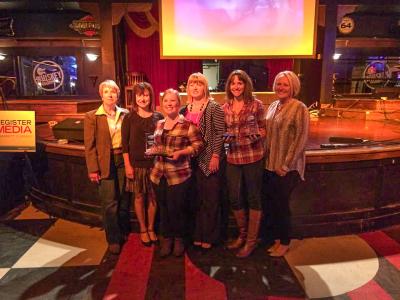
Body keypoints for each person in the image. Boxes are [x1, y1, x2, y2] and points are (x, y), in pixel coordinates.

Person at [150, 89, 204, 257]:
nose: (169, 104)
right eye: (166, 101)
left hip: (179, 175)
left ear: (178, 104)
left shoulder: (187, 125)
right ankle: (167, 239)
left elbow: (198, 145)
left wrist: (182, 152)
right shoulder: (159, 124)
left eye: (173, 101)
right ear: (162, 104)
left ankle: (179, 239)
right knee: (164, 208)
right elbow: (157, 144)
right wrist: (153, 150)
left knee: (178, 209)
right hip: (159, 174)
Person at [264, 70, 309, 257]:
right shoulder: (274, 105)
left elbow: (301, 139)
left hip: (286, 169)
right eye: (278, 84)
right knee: (273, 205)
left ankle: (284, 242)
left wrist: (285, 165)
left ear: (293, 87)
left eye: (285, 84)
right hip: (269, 165)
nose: (281, 87)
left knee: (282, 206)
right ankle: (276, 238)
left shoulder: (299, 108)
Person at [84, 79, 131, 255]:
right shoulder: (91, 116)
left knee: (124, 199)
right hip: (105, 162)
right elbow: (89, 146)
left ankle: (123, 231)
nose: (110, 94)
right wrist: (92, 169)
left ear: (118, 95)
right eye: (106, 92)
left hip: (123, 159)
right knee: (109, 202)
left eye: (113, 92)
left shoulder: (125, 113)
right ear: (101, 94)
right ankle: (113, 238)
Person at [222, 70, 266, 258]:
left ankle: (251, 241)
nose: (236, 86)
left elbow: (264, 129)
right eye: (233, 83)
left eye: (240, 83)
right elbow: (223, 132)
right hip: (233, 157)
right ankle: (242, 235)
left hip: (253, 156)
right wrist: (225, 138)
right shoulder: (225, 107)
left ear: (246, 85)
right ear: (229, 86)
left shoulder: (256, 105)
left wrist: (255, 136)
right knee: (235, 197)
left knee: (254, 198)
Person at [180, 73, 225, 249]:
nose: (195, 87)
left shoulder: (213, 107)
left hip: (208, 159)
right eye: (192, 84)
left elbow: (219, 134)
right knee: (196, 199)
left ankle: (210, 236)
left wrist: (215, 156)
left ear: (205, 87)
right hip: (189, 161)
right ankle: (198, 233)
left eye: (199, 84)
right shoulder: (185, 109)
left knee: (210, 199)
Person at [121, 82, 164, 247]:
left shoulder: (158, 117)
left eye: (146, 95)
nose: (143, 98)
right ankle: (143, 229)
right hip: (136, 164)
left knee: (153, 197)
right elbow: (125, 144)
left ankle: (152, 228)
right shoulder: (129, 117)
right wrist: (127, 166)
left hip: (154, 164)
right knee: (139, 197)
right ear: (135, 97)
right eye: (140, 95)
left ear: (151, 96)